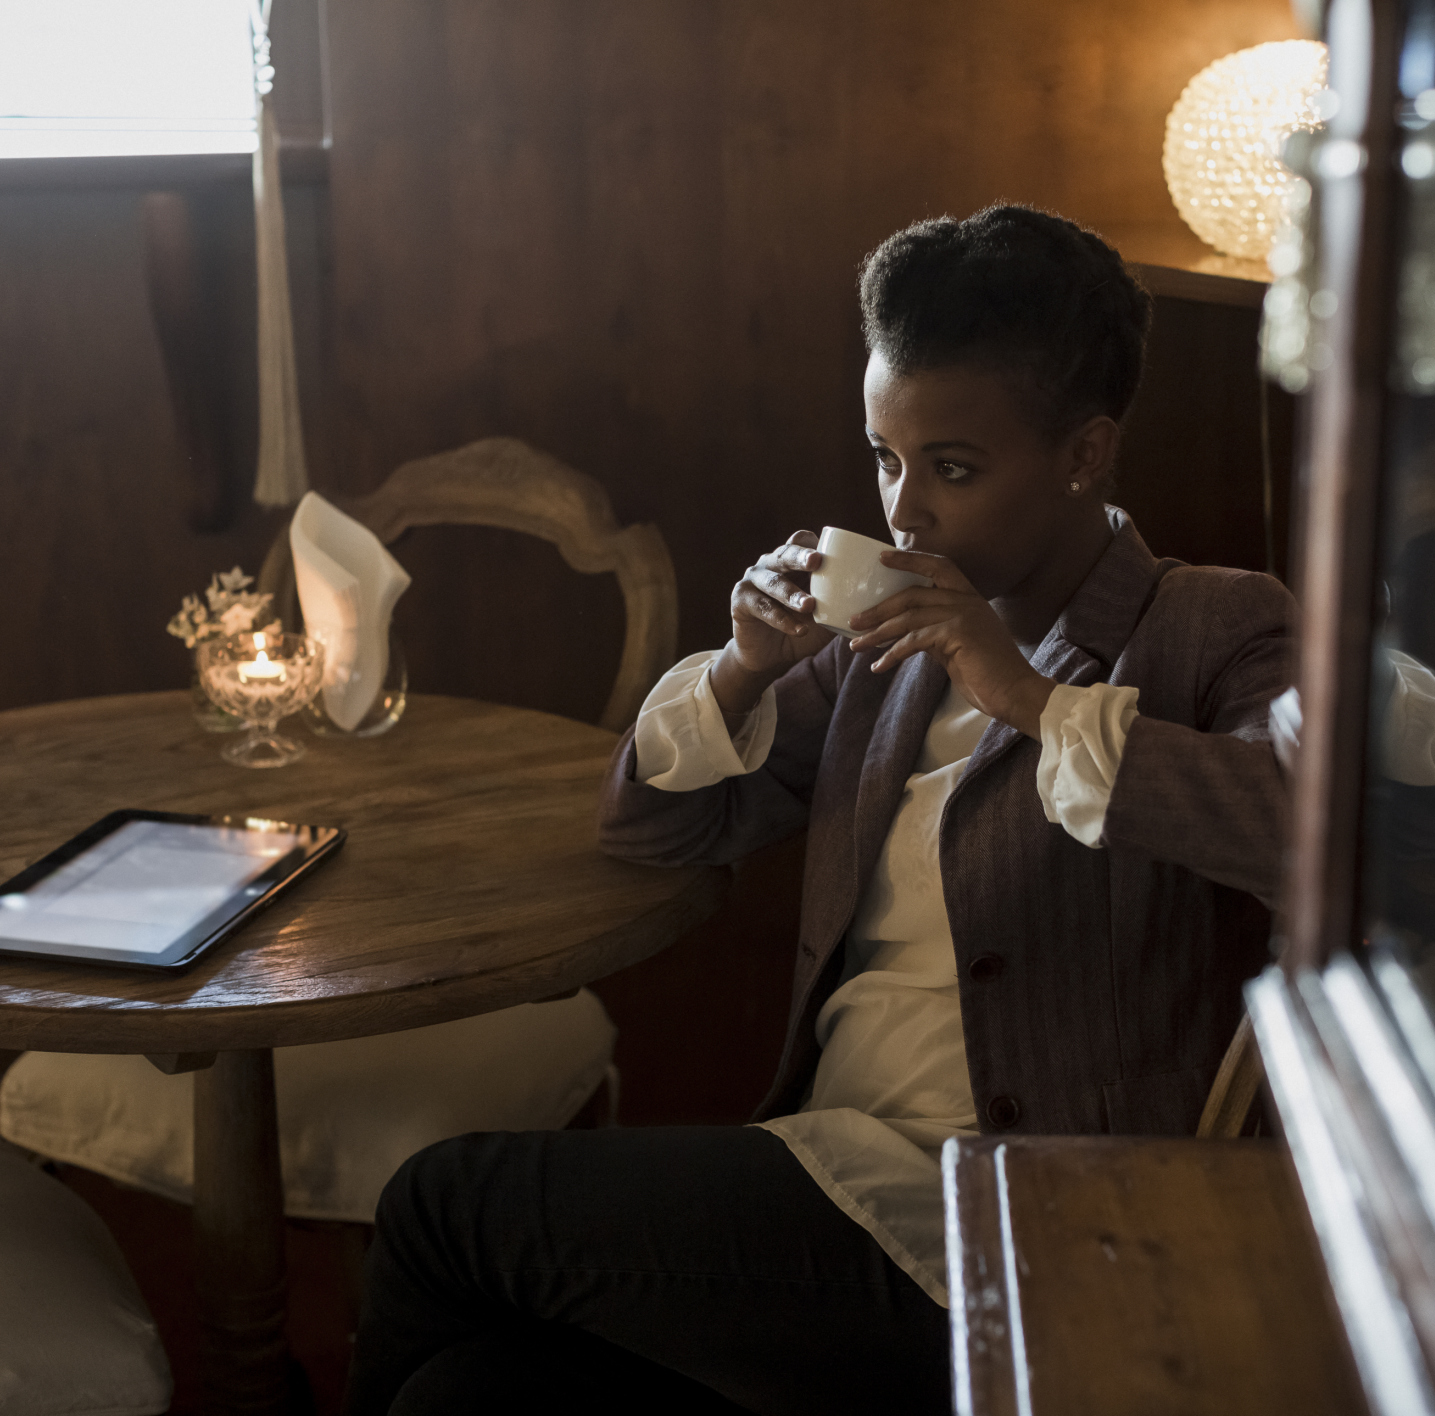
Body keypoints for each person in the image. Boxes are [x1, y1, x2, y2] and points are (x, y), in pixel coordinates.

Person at [344, 205, 1295, 1415]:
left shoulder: (1215, 623)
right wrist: (744, 664)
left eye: (951, 469)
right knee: (471, 1395)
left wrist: (1028, 697)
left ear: (1084, 452)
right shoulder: (881, 646)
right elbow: (652, 828)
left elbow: (1302, 826)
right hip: (832, 1177)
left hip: (1020, 1222)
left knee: (437, 1208)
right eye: (883, 457)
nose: (904, 513)